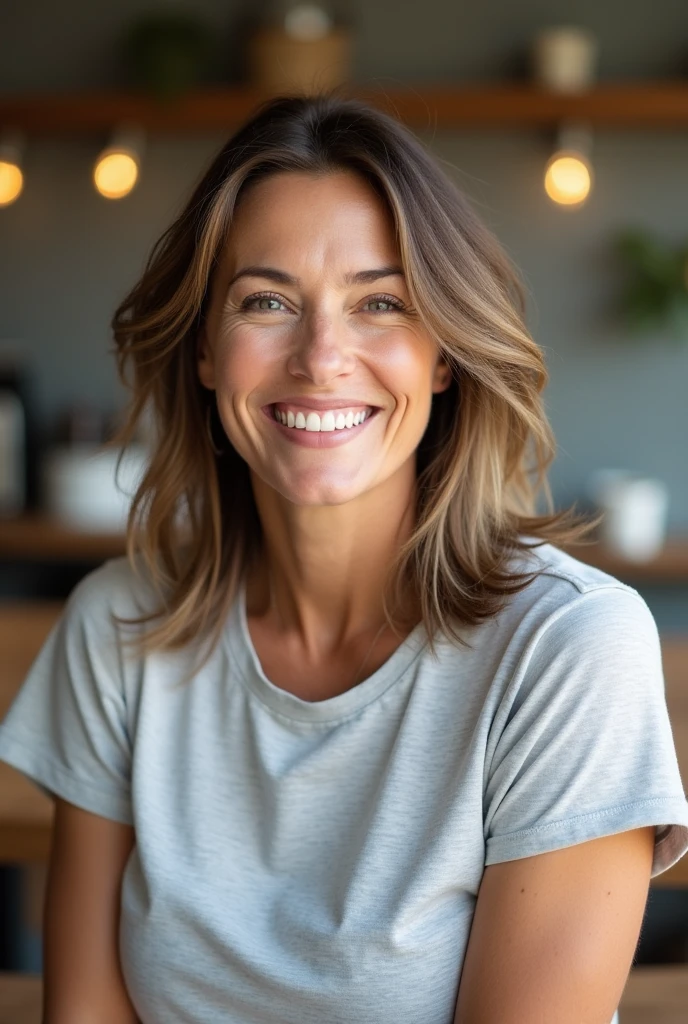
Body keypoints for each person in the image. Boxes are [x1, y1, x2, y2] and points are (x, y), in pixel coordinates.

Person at [1, 93, 687, 1024]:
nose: (323, 357)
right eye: (267, 301)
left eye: (381, 303)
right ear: (205, 348)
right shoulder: (118, 628)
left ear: (443, 354)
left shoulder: (567, 648)